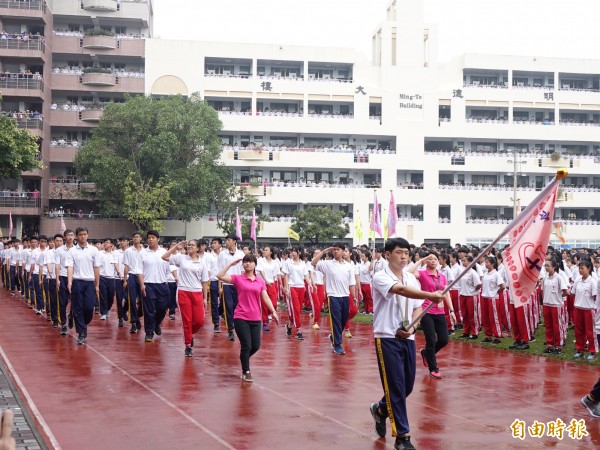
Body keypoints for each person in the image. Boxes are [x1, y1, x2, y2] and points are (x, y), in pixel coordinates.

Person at [369, 238, 445, 450]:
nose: (403, 257)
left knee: (407, 386)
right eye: (399, 252)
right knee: (395, 387)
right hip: (386, 337)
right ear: (387, 254)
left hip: (407, 338)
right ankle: (403, 437)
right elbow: (400, 291)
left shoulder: (412, 279)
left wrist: (413, 327)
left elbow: (417, 308)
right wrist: (431, 294)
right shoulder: (381, 277)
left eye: (406, 253)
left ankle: (381, 409)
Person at [217, 253, 279, 382]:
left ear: (255, 264)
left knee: (255, 346)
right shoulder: (238, 278)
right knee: (246, 345)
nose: (247, 264)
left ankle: (243, 358)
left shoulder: (260, 281)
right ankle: (246, 371)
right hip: (241, 317)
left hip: (256, 317)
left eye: (250, 261)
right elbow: (220, 276)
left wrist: (273, 311)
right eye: (245, 262)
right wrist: (230, 264)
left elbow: (265, 297)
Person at [409, 251, 455, 379]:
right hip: (426, 311)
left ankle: (426, 353)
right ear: (426, 262)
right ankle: (433, 368)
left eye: (435, 259)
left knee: (444, 339)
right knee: (430, 339)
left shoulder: (442, 276)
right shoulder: (423, 274)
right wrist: (421, 260)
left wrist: (451, 310)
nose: (433, 261)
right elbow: (409, 272)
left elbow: (446, 293)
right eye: (430, 259)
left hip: (439, 311)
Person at [162, 240, 209, 357]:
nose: (190, 247)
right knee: (187, 320)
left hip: (197, 292)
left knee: (199, 321)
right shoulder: (181, 258)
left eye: (193, 245)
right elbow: (164, 256)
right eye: (189, 245)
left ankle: (189, 333)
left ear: (198, 248)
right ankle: (188, 345)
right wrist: (176, 247)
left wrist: (205, 298)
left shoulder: (202, 263)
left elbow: (204, 282)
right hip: (183, 291)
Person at [311, 244, 356, 355]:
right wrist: (323, 251)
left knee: (344, 319)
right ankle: (337, 345)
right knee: (336, 320)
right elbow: (313, 263)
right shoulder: (327, 264)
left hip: (345, 295)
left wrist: (354, 296)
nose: (335, 251)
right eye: (334, 250)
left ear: (342, 251)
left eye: (338, 250)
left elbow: (352, 283)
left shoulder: (348, 266)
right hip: (333, 296)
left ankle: (333, 336)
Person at [66, 227, 101, 345]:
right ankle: (81, 332)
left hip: (89, 282)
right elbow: (70, 267)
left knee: (88, 307)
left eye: (84, 234)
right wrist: (70, 282)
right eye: (80, 234)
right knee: (78, 308)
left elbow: (96, 268)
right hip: (77, 282)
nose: (82, 236)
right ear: (77, 236)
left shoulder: (94, 250)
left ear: (88, 235)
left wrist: (97, 284)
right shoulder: (72, 251)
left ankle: (82, 322)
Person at [138, 230, 170, 343]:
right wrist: (142, 285)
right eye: (149, 237)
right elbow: (139, 271)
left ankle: (156, 323)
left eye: (153, 237)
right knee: (149, 310)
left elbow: (168, 269)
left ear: (158, 239)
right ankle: (149, 332)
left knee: (162, 308)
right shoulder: (142, 253)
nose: (150, 239)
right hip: (148, 285)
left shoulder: (164, 252)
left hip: (162, 284)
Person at [217, 233, 245, 341]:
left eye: (229, 240)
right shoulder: (222, 254)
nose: (227, 242)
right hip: (226, 283)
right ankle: (230, 330)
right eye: (226, 240)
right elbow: (219, 271)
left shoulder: (241, 254)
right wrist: (220, 286)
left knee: (237, 306)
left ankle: (237, 327)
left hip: (238, 284)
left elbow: (243, 271)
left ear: (235, 241)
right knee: (228, 307)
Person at [282, 246, 310, 340]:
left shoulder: (303, 263)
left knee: (298, 309)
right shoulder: (288, 262)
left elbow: (305, 275)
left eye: (294, 252)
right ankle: (298, 330)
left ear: (299, 252)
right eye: (291, 252)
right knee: (296, 309)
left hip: (301, 287)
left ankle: (289, 325)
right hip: (292, 287)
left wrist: (310, 284)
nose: (292, 253)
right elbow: (285, 275)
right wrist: (286, 287)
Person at [571, 260, 597, 361]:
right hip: (578, 308)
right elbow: (573, 293)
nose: (580, 270)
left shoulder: (593, 281)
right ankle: (579, 350)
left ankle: (592, 352)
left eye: (583, 268)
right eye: (579, 268)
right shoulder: (578, 280)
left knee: (590, 332)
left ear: (589, 269)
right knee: (578, 331)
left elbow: (595, 297)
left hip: (589, 310)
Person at [541, 259, 568, 354]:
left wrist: (558, 297)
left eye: (548, 266)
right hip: (547, 304)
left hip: (556, 305)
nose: (546, 267)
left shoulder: (559, 278)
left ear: (554, 267)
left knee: (557, 326)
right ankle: (550, 344)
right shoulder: (545, 278)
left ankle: (559, 346)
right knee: (548, 326)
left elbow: (566, 292)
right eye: (545, 266)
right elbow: (543, 290)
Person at [479, 256, 505, 344]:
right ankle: (488, 335)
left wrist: (496, 292)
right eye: (485, 262)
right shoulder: (485, 273)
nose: (486, 264)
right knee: (486, 317)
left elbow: (502, 286)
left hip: (492, 298)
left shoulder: (496, 274)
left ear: (493, 264)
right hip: (484, 297)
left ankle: (497, 336)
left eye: (487, 262)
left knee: (494, 317)